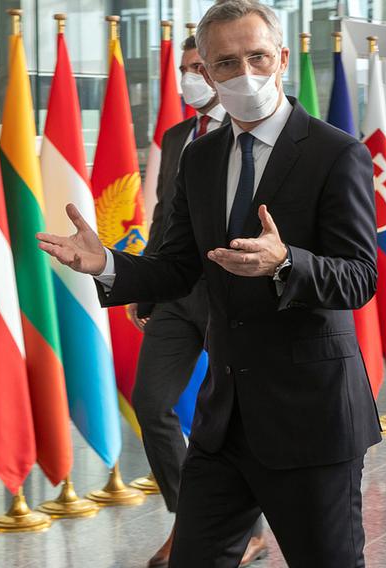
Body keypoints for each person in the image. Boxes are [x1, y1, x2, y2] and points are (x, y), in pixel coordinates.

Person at [38, 1, 381, 565]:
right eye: (225, 63)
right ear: (207, 73)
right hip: (224, 421)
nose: (244, 73)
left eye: (257, 56)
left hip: (311, 421)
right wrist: (107, 264)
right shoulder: (199, 158)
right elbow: (176, 266)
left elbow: (360, 278)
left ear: (283, 59)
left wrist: (286, 262)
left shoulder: (335, 153)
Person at [128, 34, 267, 568]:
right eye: (187, 67)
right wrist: (147, 282)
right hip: (176, 292)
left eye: (200, 67)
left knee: (234, 414)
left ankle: (245, 530)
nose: (192, 76)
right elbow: (164, 214)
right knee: (152, 403)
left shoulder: (252, 134)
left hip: (231, 292)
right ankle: (190, 521)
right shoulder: (176, 135)